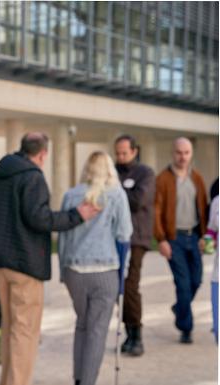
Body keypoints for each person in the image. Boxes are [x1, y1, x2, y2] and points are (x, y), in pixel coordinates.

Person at [0, 132, 99, 385]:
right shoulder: (32, 176)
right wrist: (77, 215)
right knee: (24, 332)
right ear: (43, 154)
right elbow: (40, 218)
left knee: (9, 329)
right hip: (24, 266)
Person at [58, 151, 133, 385]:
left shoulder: (71, 195)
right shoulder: (117, 195)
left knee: (82, 324)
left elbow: (63, 238)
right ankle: (87, 382)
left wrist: (63, 271)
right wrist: (125, 273)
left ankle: (79, 379)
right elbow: (124, 235)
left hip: (75, 272)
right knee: (97, 330)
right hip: (106, 272)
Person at [155, 137, 207, 344]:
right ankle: (186, 327)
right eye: (179, 152)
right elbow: (156, 211)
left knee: (196, 280)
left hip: (193, 236)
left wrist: (205, 236)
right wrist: (161, 239)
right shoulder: (163, 179)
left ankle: (179, 308)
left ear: (191, 153)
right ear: (172, 153)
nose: (182, 156)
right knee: (183, 284)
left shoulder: (197, 178)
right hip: (173, 238)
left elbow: (204, 207)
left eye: (186, 152)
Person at [113, 135, 155, 356]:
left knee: (130, 286)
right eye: (117, 153)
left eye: (124, 153)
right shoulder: (113, 171)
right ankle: (128, 332)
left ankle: (136, 333)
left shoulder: (145, 173)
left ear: (134, 151)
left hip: (136, 238)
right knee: (116, 287)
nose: (120, 157)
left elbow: (137, 201)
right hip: (113, 238)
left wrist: (116, 191)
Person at [208, 195, 219, 344]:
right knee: (218, 331)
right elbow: (212, 230)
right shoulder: (217, 201)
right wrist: (207, 242)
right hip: (218, 276)